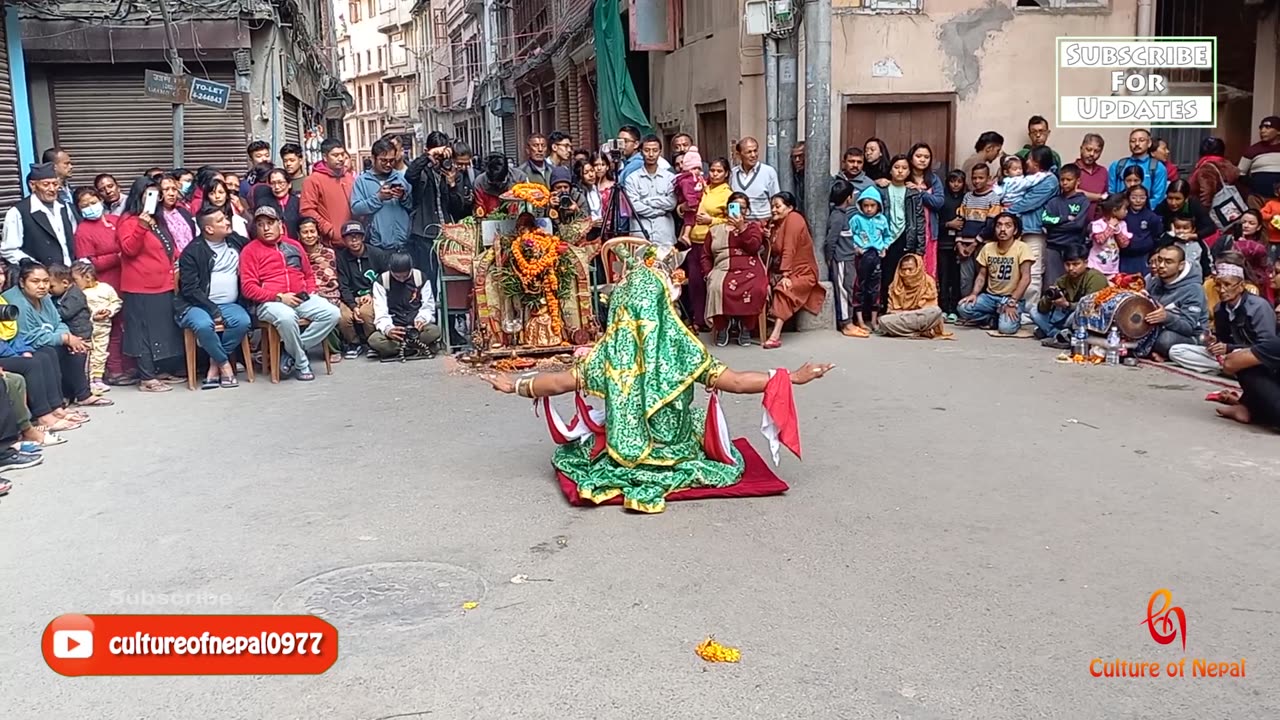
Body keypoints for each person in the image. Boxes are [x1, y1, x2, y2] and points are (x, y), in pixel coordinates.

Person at [479, 245, 834, 514]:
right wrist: (792, 377)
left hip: (626, 455)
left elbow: (557, 383)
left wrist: (514, 385)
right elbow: (738, 381)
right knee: (696, 425)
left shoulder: (609, 353)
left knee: (580, 453)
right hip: (674, 451)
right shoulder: (684, 350)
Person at [240, 206, 340, 380]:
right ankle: (302, 364)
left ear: (280, 224)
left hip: (300, 297)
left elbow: (308, 274)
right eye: (261, 224)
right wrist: (278, 296)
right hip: (270, 302)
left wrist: (308, 291)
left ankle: (288, 351)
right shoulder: (249, 250)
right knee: (287, 317)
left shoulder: (294, 245)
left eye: (270, 223)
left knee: (332, 313)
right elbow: (248, 287)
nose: (266, 228)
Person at [117, 175, 187, 392]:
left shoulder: (160, 219)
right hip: (141, 287)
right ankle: (146, 377)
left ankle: (159, 370)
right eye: (149, 194)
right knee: (144, 333)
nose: (155, 198)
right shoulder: (128, 221)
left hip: (163, 284)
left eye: (156, 194)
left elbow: (168, 245)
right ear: (139, 196)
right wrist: (141, 226)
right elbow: (129, 249)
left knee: (162, 331)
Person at [2, 261, 103, 409]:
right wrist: (64, 338)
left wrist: (67, 337)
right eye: (35, 281)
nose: (42, 286)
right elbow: (27, 336)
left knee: (75, 349)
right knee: (50, 352)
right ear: (22, 283)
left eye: (46, 281)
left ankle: (81, 395)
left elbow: (58, 322)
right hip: (23, 347)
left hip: (45, 338)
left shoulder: (45, 298)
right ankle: (57, 404)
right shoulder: (17, 302)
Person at [176, 206, 251, 389]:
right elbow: (190, 289)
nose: (227, 222)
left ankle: (214, 363)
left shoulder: (236, 242)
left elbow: (256, 244)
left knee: (242, 322)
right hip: (196, 305)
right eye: (220, 220)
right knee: (203, 325)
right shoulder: (192, 252)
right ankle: (225, 366)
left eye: (225, 218)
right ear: (209, 229)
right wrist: (212, 309)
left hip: (229, 304)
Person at [1169, 261, 1275, 374]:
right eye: (1218, 286)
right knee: (1176, 351)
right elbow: (1223, 338)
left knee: (1243, 358)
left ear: (1241, 286)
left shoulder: (1258, 306)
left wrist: (1230, 348)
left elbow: (1268, 346)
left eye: (1227, 285)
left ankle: (1230, 368)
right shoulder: (1219, 308)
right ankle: (1229, 369)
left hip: (1252, 356)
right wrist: (1214, 341)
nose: (1222, 290)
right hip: (1227, 356)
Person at [764, 192, 826, 349]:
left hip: (803, 272)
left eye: (778, 206)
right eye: (772, 206)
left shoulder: (794, 219)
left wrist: (785, 274)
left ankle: (775, 335)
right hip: (783, 269)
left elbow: (789, 248)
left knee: (783, 289)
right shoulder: (777, 224)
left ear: (790, 208)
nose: (773, 210)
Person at [957, 212, 1034, 335]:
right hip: (990, 297)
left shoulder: (1022, 248)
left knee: (1006, 329)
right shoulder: (988, 247)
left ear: (1015, 231)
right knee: (963, 308)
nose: (1002, 229)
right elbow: (982, 275)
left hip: (1010, 297)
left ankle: (1010, 318)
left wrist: (1013, 301)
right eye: (999, 225)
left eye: (1008, 226)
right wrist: (974, 294)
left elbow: (1026, 278)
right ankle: (992, 318)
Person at [1004, 146, 1059, 309]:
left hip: (1034, 230)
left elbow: (1030, 202)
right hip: (1021, 229)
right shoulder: (1030, 177)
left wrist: (1005, 211)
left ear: (1038, 162)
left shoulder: (1049, 181)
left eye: (1029, 159)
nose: (1026, 162)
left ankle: (1030, 310)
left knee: (1033, 272)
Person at [405, 131, 467, 277]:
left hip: (447, 232)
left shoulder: (452, 172)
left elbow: (458, 208)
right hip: (424, 232)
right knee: (427, 275)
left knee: (449, 276)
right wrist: (428, 156)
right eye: (438, 155)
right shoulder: (422, 171)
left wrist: (452, 185)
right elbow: (409, 175)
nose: (440, 160)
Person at [367, 251, 441, 359]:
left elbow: (428, 306)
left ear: (410, 269)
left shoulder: (420, 277)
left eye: (405, 276)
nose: (401, 279)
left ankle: (398, 350)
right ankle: (418, 348)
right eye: (397, 276)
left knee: (434, 331)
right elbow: (380, 310)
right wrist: (388, 329)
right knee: (374, 340)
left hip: (416, 328)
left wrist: (422, 319)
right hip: (395, 327)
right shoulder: (382, 281)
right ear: (391, 270)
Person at [1141, 244, 1209, 360]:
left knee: (1165, 340)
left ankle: (1161, 353)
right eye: (1159, 260)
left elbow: (1189, 327)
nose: (1161, 266)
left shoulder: (1193, 289)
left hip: (1190, 336)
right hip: (1156, 329)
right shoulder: (1154, 281)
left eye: (1168, 262)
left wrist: (1166, 317)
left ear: (1180, 266)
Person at [877, 154, 927, 310]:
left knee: (906, 275)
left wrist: (920, 248)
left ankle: (904, 307)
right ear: (890, 170)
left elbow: (920, 220)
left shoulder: (913, 193)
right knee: (887, 275)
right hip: (887, 238)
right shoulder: (882, 189)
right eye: (896, 167)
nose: (900, 171)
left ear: (909, 172)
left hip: (906, 236)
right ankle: (886, 307)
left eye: (904, 168)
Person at [2, 163, 76, 268]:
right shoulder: (18, 212)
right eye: (46, 184)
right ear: (33, 185)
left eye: (55, 184)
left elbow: (74, 237)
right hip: (40, 278)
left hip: (68, 273)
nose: (52, 189)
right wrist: (32, 265)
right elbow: (9, 250)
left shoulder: (65, 207)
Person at [843, 185, 894, 336]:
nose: (869, 209)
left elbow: (887, 235)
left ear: (878, 206)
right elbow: (848, 236)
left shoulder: (882, 220)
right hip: (862, 256)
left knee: (875, 288)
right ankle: (859, 320)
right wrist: (855, 247)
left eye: (873, 205)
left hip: (876, 255)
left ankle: (874, 320)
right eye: (866, 205)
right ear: (860, 205)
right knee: (859, 287)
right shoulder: (856, 219)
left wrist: (885, 246)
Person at [1031, 243, 1107, 344]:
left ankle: (1055, 334)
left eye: (1076, 264)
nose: (1071, 268)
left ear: (1085, 263)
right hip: (1064, 316)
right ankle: (1059, 335)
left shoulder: (1095, 278)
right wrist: (1049, 299)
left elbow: (1091, 306)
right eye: (1067, 264)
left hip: (1090, 317)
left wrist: (1067, 305)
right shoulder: (1062, 280)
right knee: (1033, 311)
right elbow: (1042, 309)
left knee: (1076, 315)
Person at [351, 138, 414, 253]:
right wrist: (378, 198)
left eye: (391, 160)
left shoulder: (402, 178)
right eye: (383, 161)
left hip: (405, 243)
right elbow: (356, 208)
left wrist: (403, 197)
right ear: (373, 158)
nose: (388, 164)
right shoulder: (362, 181)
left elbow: (413, 206)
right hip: (378, 246)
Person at [335, 221, 387, 358]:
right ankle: (354, 343)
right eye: (349, 237)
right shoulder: (341, 257)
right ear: (344, 240)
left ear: (363, 237)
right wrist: (352, 305)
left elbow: (385, 279)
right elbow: (343, 285)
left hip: (372, 294)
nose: (353, 240)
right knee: (343, 316)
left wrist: (371, 293)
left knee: (365, 313)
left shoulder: (376, 254)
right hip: (350, 297)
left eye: (357, 236)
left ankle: (372, 342)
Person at [70, 260, 121, 396]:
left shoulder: (105, 288)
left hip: (103, 328)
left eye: (75, 279)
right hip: (87, 328)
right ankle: (88, 379)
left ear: (88, 277)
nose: (73, 283)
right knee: (88, 353)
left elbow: (116, 302)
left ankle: (98, 378)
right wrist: (93, 316)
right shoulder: (77, 294)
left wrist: (109, 311)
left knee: (101, 352)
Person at [624, 135, 679, 251]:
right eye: (647, 150)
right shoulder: (631, 179)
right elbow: (634, 206)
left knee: (666, 267)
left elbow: (672, 203)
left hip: (665, 235)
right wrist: (658, 211)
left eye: (655, 150)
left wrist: (647, 201)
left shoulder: (670, 178)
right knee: (639, 268)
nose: (651, 154)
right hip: (640, 234)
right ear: (640, 152)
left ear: (660, 152)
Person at [1040, 163, 1090, 285]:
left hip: (1074, 247)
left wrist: (1056, 226)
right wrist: (1066, 219)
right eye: (1062, 179)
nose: (1065, 183)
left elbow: (1078, 225)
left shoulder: (1083, 201)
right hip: (1053, 247)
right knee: (1052, 283)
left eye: (1069, 179)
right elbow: (1046, 221)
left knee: (1073, 283)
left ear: (1077, 181)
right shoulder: (1053, 201)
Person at [878, 253, 950, 339]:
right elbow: (890, 310)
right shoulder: (894, 286)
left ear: (918, 268)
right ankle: (917, 332)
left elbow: (930, 305)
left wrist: (910, 313)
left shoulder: (928, 282)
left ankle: (905, 332)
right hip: (903, 318)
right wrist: (905, 314)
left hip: (921, 317)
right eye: (903, 269)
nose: (906, 273)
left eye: (910, 269)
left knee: (936, 311)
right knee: (883, 321)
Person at [301, 139, 355, 248]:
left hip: (353, 240)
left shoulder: (349, 177)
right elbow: (306, 210)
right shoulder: (313, 180)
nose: (340, 159)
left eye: (342, 154)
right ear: (325, 157)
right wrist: (327, 229)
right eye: (335, 155)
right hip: (330, 244)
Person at [825, 181, 859, 334]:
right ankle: (846, 323)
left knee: (849, 289)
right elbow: (831, 240)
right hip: (842, 260)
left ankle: (849, 320)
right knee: (844, 290)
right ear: (848, 197)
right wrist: (829, 257)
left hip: (848, 258)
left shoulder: (843, 214)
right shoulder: (838, 217)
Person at [1108, 129, 1169, 207]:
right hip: (1120, 212)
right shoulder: (1117, 165)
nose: (1136, 144)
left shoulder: (1157, 167)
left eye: (1141, 140)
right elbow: (1111, 193)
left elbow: (1158, 197)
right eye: (1132, 141)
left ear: (1149, 143)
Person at [730, 138, 781, 224]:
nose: (753, 155)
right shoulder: (733, 173)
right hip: (738, 226)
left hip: (762, 226)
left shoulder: (769, 172)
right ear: (739, 155)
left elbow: (776, 201)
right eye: (749, 152)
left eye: (755, 151)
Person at [1156, 178, 1217, 244]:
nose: (1173, 203)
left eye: (1178, 199)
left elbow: (1211, 227)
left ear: (1186, 199)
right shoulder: (1162, 207)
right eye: (1170, 198)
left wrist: (1192, 236)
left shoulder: (1194, 205)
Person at [1119, 184, 1163, 275]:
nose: (1138, 201)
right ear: (1128, 198)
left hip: (1144, 256)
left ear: (1147, 198)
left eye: (1142, 198)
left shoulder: (1152, 217)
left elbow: (1157, 236)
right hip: (1124, 256)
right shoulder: (1122, 215)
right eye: (1134, 198)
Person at [251, 168, 302, 240]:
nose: (277, 187)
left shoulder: (298, 202)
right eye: (273, 183)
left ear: (289, 184)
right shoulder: (263, 203)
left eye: (280, 183)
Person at [1088, 194, 1130, 279]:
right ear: (1114, 211)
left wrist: (1118, 231)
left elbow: (1124, 244)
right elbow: (1100, 240)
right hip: (1096, 266)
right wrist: (1110, 227)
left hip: (1113, 268)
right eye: (1124, 209)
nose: (1127, 211)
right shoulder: (1098, 224)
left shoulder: (1122, 224)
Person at [1238, 116, 1280, 200]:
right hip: (1259, 198)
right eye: (1261, 128)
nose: (1262, 131)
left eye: (1267, 127)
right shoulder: (1252, 150)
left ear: (1278, 131)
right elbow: (1240, 174)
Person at [1161, 215, 1213, 280]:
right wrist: (1171, 234)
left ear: (1193, 230)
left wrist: (1207, 274)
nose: (1181, 231)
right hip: (1175, 278)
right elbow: (1160, 247)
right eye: (1177, 228)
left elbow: (1205, 260)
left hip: (1196, 278)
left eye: (1185, 228)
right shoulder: (1171, 242)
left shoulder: (1199, 244)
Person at [1074, 134, 1109, 220]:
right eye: (1088, 149)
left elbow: (1107, 196)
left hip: (1097, 226)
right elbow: (1073, 193)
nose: (1092, 154)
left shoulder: (1103, 171)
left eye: (1096, 151)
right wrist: (1099, 197)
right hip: (1074, 224)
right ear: (1081, 148)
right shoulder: (1071, 169)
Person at [789, 142, 806, 210]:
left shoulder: (822, 179)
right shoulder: (795, 178)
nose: (797, 160)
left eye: (801, 156)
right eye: (794, 157)